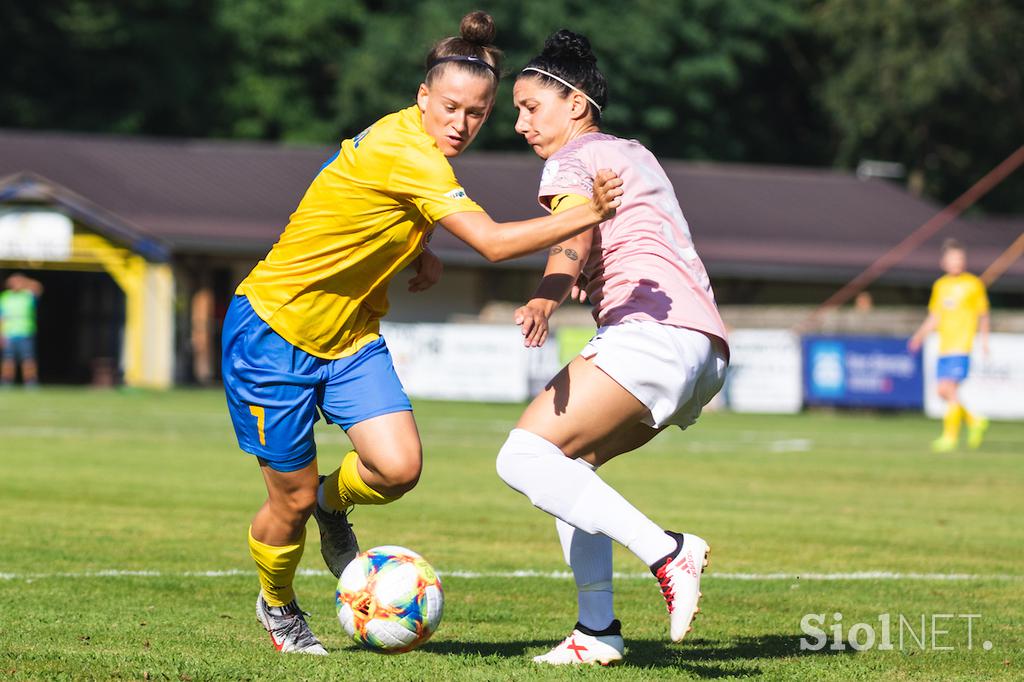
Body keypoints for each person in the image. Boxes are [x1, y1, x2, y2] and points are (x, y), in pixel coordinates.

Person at [221, 12, 623, 656]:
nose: (460, 124)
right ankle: (278, 605)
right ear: (422, 99)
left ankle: (333, 503)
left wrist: (421, 249)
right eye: (450, 108)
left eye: (477, 113)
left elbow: (375, 206)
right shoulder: (406, 151)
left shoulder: (414, 146)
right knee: (286, 503)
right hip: (272, 331)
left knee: (398, 467)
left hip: (349, 335)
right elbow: (491, 242)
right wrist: (589, 212)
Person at [494, 30, 730, 666]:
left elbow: (571, 231)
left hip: (653, 338)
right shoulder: (635, 154)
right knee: (568, 471)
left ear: (574, 103)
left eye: (529, 107)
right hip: (702, 348)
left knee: (522, 458)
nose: (519, 123)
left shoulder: (573, 157)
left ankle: (668, 552)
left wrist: (550, 291)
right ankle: (597, 632)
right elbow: (623, 231)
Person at [908, 238, 990, 452]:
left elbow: (983, 315)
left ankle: (950, 437)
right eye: (952, 259)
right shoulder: (941, 286)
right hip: (945, 346)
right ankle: (974, 421)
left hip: (961, 345)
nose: (957, 262)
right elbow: (935, 317)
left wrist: (984, 341)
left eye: (960, 259)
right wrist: (919, 336)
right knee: (942, 392)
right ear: (944, 262)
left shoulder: (973, 284)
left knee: (949, 389)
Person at [0, 273, 43, 388]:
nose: (16, 284)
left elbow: (38, 287)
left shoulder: (27, 295)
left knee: (28, 359)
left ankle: (30, 383)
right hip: (9, 333)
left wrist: (25, 281)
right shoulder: (4, 297)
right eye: (14, 282)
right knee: (8, 360)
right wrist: (1, 335)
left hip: (25, 332)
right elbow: (1, 317)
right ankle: (6, 382)